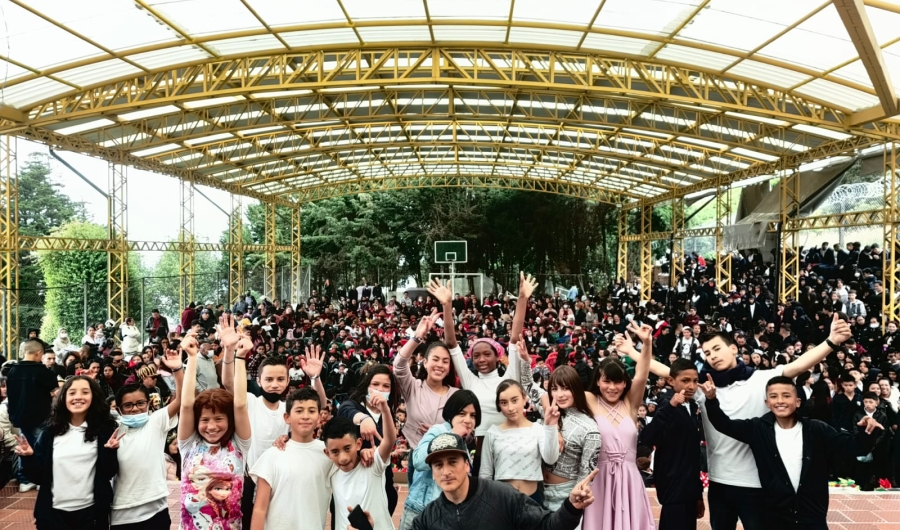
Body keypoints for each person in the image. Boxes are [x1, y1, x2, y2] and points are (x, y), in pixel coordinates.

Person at [626, 312, 852, 530]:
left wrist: (831, 341)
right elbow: (666, 370)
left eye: (717, 349)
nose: (712, 355)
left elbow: (798, 366)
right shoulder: (703, 388)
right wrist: (633, 351)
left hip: (757, 484)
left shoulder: (762, 379)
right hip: (719, 483)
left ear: (734, 348)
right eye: (707, 353)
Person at [701, 375, 884, 528]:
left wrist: (867, 433)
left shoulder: (817, 429)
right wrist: (711, 399)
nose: (780, 401)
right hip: (774, 515)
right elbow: (723, 424)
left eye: (786, 396)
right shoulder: (758, 429)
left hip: (812, 514)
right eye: (773, 396)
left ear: (797, 402)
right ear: (767, 402)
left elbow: (853, 447)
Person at [409, 431, 599, 530]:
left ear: (467, 465)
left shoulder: (502, 496)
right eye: (438, 465)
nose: (446, 471)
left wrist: (571, 507)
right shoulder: (428, 519)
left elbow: (547, 525)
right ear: (432, 472)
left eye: (452, 462)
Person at [15, 375, 121, 530]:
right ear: (63, 397)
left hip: (91, 514)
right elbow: (38, 477)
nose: (78, 397)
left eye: (85, 392)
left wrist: (110, 452)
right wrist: (28, 458)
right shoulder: (49, 432)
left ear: (94, 396)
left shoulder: (104, 431)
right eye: (72, 393)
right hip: (53, 515)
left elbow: (108, 472)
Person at [178, 326, 252, 530]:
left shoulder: (239, 446)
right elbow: (186, 405)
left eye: (219, 418)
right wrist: (192, 358)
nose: (211, 426)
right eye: (205, 420)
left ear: (229, 420)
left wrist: (240, 356)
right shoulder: (188, 445)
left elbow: (239, 404)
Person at [582, 321, 655, 530]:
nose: (612, 388)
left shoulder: (631, 403)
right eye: (607, 381)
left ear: (625, 383)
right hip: (599, 481)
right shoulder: (588, 399)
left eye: (618, 382)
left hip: (630, 480)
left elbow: (642, 374)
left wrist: (646, 343)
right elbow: (558, 391)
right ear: (597, 381)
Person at [110, 344, 185, 529]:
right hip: (122, 512)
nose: (135, 408)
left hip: (156, 508)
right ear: (118, 409)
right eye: (128, 406)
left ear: (149, 404)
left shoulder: (155, 422)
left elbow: (183, 399)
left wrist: (177, 369)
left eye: (140, 403)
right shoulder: (113, 431)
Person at [250, 388, 336, 530]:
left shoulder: (328, 453)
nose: (306, 416)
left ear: (320, 417)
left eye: (312, 411)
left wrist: (364, 452)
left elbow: (351, 466)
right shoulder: (272, 455)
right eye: (299, 410)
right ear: (287, 417)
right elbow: (259, 509)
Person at [393, 307, 458, 487]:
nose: (440, 365)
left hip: (448, 460)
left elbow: (466, 432)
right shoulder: (413, 387)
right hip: (418, 459)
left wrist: (440, 432)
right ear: (425, 362)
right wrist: (417, 336)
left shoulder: (456, 395)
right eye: (435, 359)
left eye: (445, 361)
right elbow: (398, 366)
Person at [638, 358, 705, 530]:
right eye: (685, 380)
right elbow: (647, 437)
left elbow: (692, 454)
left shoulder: (690, 406)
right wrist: (671, 406)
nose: (691, 386)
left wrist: (697, 494)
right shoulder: (666, 403)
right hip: (673, 488)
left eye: (695, 381)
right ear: (670, 381)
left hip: (688, 489)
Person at [400, 390, 481, 530]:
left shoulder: (464, 446)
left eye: (473, 415)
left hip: (446, 516)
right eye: (462, 414)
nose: (468, 420)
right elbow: (418, 460)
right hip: (419, 510)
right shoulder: (438, 431)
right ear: (451, 413)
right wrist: (452, 435)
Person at [480, 377, 560, 504]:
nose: (510, 408)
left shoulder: (537, 429)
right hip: (502, 502)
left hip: (532, 500)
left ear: (524, 399)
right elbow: (485, 474)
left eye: (514, 400)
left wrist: (550, 426)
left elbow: (550, 459)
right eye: (504, 403)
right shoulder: (492, 433)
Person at [325, 389, 397, 530]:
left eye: (347, 448)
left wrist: (386, 411)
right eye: (335, 452)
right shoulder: (332, 470)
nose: (343, 458)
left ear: (358, 444)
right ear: (327, 453)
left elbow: (389, 441)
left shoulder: (373, 465)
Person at [337, 364, 402, 515]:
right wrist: (363, 419)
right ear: (366, 386)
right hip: (353, 487)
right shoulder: (353, 405)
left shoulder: (388, 414)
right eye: (375, 384)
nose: (380, 389)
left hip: (382, 486)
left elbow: (390, 440)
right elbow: (345, 410)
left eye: (386, 386)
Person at [540, 365, 601, 518]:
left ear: (576, 389)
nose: (559, 395)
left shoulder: (590, 429)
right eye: (554, 388)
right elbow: (529, 387)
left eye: (566, 388)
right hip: (539, 491)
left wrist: (572, 505)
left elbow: (585, 475)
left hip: (566, 495)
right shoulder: (550, 413)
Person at [7, 339, 58, 492]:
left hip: (20, 417)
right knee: (41, 446)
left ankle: (25, 479)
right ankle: (41, 479)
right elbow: (55, 393)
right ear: (39, 353)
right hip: (41, 417)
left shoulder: (12, 371)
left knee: (25, 447)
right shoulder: (44, 372)